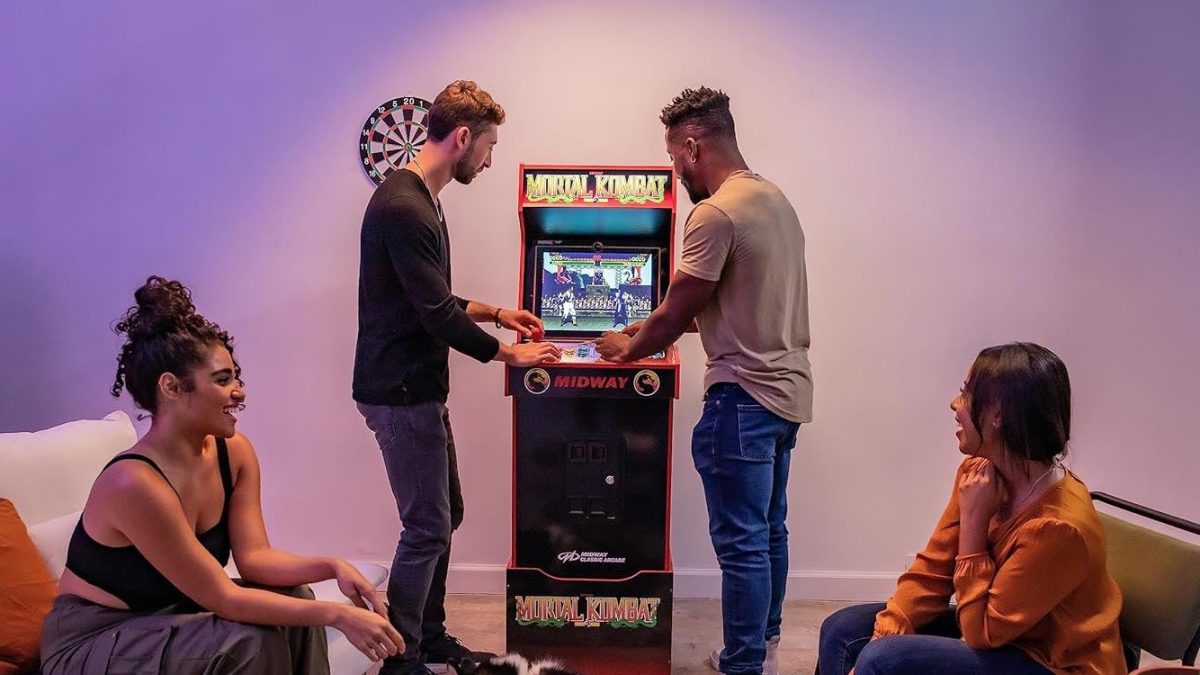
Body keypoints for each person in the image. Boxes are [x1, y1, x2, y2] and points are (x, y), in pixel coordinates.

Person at [40, 276, 403, 674]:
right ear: (172, 387)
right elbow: (225, 598)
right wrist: (337, 616)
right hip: (92, 642)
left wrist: (333, 566)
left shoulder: (234, 452)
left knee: (295, 598)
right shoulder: (134, 484)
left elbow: (255, 560)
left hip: (170, 616)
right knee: (251, 639)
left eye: (236, 377)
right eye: (223, 380)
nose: (240, 391)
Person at [596, 86, 812, 675]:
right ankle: (762, 647)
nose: (676, 170)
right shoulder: (774, 200)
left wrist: (624, 348)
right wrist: (652, 325)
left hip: (741, 395)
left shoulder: (714, 212)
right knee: (768, 531)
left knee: (742, 544)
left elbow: (673, 313)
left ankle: (741, 664)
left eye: (674, 158)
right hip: (786, 394)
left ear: (693, 145)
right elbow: (721, 302)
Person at [353, 80, 560, 675]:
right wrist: (507, 355)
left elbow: (433, 296)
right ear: (463, 137)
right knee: (425, 526)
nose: (491, 159)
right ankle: (402, 656)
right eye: (490, 146)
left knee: (448, 513)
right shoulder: (403, 204)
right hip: (399, 392)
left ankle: (432, 636)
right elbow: (435, 314)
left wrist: (497, 312)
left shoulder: (421, 198)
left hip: (417, 389)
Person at [816, 343, 1125, 675]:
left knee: (883, 662)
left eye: (965, 394)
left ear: (997, 414)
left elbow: (981, 634)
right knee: (842, 631)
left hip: (1053, 662)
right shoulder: (978, 474)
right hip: (1007, 636)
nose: (955, 403)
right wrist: (887, 628)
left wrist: (975, 524)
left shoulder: (1058, 527)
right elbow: (932, 571)